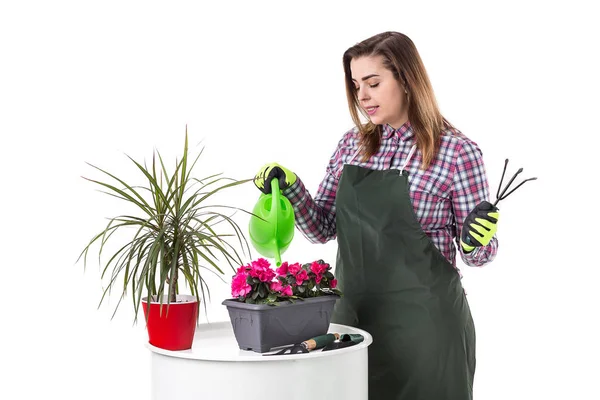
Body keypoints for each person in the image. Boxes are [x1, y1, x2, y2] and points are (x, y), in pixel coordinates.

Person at [253, 31, 499, 400]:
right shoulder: (352, 145)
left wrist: (475, 240)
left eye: (373, 82)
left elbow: (479, 254)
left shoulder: (456, 152)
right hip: (352, 324)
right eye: (355, 85)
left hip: (425, 330)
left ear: (406, 79)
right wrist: (290, 189)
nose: (362, 96)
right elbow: (322, 228)